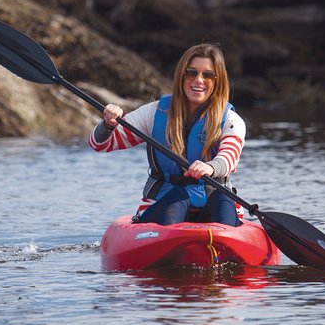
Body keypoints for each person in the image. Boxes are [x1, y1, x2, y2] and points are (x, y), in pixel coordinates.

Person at [88, 43, 246, 226]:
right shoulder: (153, 114)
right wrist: (108, 125)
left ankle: (227, 244)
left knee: (222, 198)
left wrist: (210, 167)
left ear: (218, 81)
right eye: (191, 72)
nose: (199, 80)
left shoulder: (231, 120)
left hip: (213, 203)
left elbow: (229, 157)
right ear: (181, 76)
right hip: (164, 203)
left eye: (208, 75)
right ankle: (170, 244)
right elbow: (100, 144)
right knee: (179, 196)